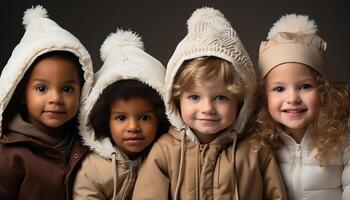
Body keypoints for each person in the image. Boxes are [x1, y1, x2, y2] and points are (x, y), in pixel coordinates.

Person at [132, 7, 287, 200]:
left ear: (241, 101)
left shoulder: (256, 150)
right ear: (176, 98)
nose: (207, 109)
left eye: (221, 97)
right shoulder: (164, 151)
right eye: (194, 97)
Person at [0, 5, 94, 200]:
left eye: (67, 89)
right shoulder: (9, 155)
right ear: (21, 93)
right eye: (42, 88)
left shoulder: (86, 142)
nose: (56, 99)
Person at [254, 14, 350, 200]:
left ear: (322, 90)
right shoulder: (260, 143)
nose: (292, 98)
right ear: (264, 96)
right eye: (279, 89)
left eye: (305, 86)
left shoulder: (343, 137)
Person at [73, 29, 170, 200]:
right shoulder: (92, 169)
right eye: (121, 118)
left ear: (160, 117)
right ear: (105, 120)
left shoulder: (165, 158)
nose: (133, 127)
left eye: (144, 117)